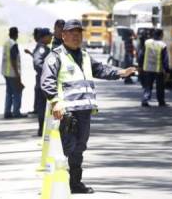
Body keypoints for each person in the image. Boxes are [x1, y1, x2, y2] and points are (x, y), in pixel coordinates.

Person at [41, 19, 136, 194]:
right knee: (66, 147)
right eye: (72, 33)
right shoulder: (55, 56)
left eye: (79, 33)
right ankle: (58, 181)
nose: (76, 36)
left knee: (79, 147)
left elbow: (101, 69)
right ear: (63, 35)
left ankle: (75, 183)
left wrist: (121, 72)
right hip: (66, 112)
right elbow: (47, 81)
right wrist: (55, 102)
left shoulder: (84, 56)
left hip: (84, 111)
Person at [1, 27, 27, 118]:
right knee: (17, 91)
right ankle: (16, 112)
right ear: (16, 34)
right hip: (12, 73)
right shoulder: (13, 44)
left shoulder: (6, 43)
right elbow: (13, 60)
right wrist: (17, 75)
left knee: (9, 92)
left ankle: (7, 112)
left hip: (5, 72)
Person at [139, 29, 169, 107]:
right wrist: (166, 70)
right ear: (160, 35)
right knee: (160, 87)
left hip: (148, 68)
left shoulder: (147, 42)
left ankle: (145, 100)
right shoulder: (162, 45)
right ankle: (161, 101)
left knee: (148, 86)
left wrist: (140, 65)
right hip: (158, 69)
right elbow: (165, 59)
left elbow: (141, 55)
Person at [33, 28, 52, 136]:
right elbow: (37, 63)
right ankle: (41, 129)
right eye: (49, 36)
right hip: (43, 83)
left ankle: (45, 129)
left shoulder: (44, 48)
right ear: (44, 37)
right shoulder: (41, 49)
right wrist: (49, 71)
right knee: (42, 108)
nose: (51, 38)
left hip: (45, 82)